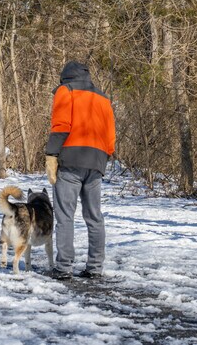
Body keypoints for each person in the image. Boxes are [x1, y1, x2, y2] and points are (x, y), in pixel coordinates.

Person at [45, 61, 116, 280]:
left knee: (65, 215)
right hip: (96, 162)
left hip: (70, 160)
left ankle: (63, 267)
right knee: (94, 217)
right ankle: (95, 267)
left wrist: (51, 155)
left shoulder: (66, 91)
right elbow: (111, 136)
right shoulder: (104, 98)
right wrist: (103, 156)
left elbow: (62, 125)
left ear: (65, 77)